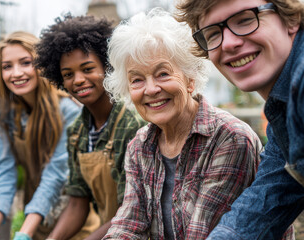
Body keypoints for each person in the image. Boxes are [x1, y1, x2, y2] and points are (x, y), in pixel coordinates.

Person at [100, 9, 280, 239]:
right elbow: (129, 223)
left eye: (163, 74)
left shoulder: (231, 138)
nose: (151, 89)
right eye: (137, 80)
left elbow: (202, 232)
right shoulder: (139, 146)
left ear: (190, 78)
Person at [176, 0, 304, 239]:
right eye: (213, 33)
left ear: (291, 19)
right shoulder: (283, 109)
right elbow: (265, 202)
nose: (230, 43)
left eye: (245, 20)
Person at [34, 14, 146, 240]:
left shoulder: (132, 123)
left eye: (87, 69)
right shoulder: (77, 131)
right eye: (68, 74)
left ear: (107, 66)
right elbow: (78, 202)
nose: (77, 80)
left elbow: (133, 209)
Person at [0, 31, 91, 240]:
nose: (16, 73)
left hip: (76, 221)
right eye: (7, 66)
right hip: (36, 222)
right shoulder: (5, 114)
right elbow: (2, 172)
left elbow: (56, 174)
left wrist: (24, 232)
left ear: (41, 64)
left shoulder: (69, 111)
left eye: (25, 62)